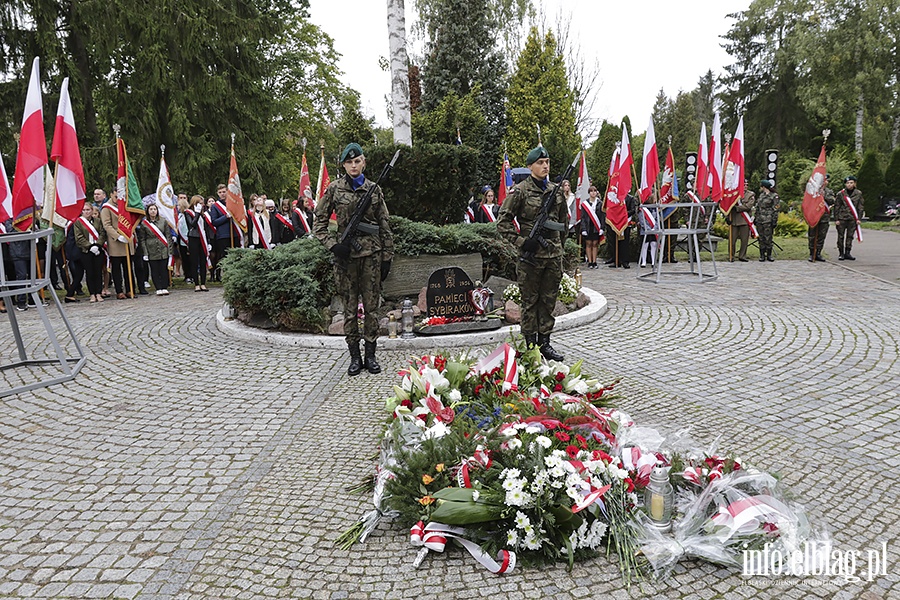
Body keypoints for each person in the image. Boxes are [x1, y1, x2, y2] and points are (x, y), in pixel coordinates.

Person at [314, 142, 394, 376]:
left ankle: (370, 355)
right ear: (343, 165)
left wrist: (387, 256)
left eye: (357, 161)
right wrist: (333, 245)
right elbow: (318, 224)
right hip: (346, 259)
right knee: (349, 310)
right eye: (349, 162)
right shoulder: (334, 189)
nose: (353, 165)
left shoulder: (374, 189)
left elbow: (384, 225)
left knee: (371, 309)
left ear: (364, 161)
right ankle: (354, 357)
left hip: (372, 258)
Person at [497, 145, 567, 361]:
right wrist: (521, 242)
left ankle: (545, 343)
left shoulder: (555, 191)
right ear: (530, 166)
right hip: (530, 258)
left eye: (547, 162)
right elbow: (503, 222)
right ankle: (530, 345)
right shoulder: (520, 191)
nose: (545, 166)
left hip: (552, 257)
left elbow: (564, 222)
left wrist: (558, 247)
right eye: (540, 163)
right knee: (530, 302)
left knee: (548, 301)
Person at [99, 192, 137, 298]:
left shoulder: (125, 205)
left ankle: (130, 289)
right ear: (111, 195)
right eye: (116, 196)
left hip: (128, 240)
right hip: (115, 242)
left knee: (128, 267)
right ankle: (119, 291)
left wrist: (132, 233)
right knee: (116, 269)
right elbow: (107, 225)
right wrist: (117, 236)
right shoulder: (107, 208)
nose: (118, 198)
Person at [72, 203, 107, 303]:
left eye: (88, 210)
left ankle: (98, 293)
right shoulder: (78, 222)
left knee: (98, 272)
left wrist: (98, 245)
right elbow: (79, 237)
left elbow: (102, 234)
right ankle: (92, 294)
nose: (86, 212)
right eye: (84, 210)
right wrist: (90, 246)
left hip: (98, 250)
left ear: (92, 211)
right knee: (90, 272)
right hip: (86, 251)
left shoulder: (98, 221)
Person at [139, 202, 173, 295]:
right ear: (148, 211)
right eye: (151, 209)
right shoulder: (144, 224)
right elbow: (142, 239)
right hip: (151, 248)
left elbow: (168, 236)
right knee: (154, 269)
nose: (153, 211)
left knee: (163, 269)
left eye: (154, 209)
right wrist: (145, 253)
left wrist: (170, 250)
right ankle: (158, 287)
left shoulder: (163, 221)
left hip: (163, 248)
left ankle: (164, 287)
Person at [184, 195, 212, 291]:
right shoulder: (188, 213)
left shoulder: (204, 214)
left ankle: (203, 283)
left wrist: (208, 242)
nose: (202, 205)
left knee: (203, 261)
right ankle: (196, 283)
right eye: (200, 203)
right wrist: (196, 213)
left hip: (202, 239)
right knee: (194, 261)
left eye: (202, 203)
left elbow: (206, 228)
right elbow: (192, 224)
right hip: (193, 238)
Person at [834, 175, 863, 261]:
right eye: (847, 183)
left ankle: (848, 252)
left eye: (851, 183)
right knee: (841, 236)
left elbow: (860, 207)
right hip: (842, 218)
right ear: (845, 184)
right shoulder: (841, 194)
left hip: (852, 218)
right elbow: (837, 207)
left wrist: (859, 218)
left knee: (850, 236)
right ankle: (841, 253)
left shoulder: (858, 193)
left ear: (854, 184)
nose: (849, 185)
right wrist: (836, 219)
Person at [808, 173, 834, 262]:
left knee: (821, 236)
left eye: (826, 181)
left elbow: (832, 201)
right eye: (823, 180)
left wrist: (824, 195)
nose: (825, 182)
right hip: (814, 216)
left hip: (824, 217)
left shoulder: (829, 191)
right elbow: (808, 201)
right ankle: (812, 253)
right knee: (812, 235)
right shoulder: (812, 190)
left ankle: (818, 253)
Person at [729, 182, 754, 262]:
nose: (746, 186)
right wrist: (727, 217)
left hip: (744, 220)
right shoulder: (733, 193)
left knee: (744, 240)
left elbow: (748, 206)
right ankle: (731, 256)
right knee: (732, 240)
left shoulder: (750, 194)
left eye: (747, 184)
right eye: (744, 185)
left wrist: (737, 208)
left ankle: (742, 256)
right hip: (734, 220)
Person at [755, 180, 779, 262]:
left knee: (768, 238)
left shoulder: (774, 196)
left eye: (761, 186)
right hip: (760, 220)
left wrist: (774, 220)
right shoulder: (761, 195)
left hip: (768, 219)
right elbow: (757, 207)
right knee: (761, 238)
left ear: (764, 187)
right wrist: (755, 217)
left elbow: (776, 209)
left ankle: (769, 254)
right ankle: (762, 255)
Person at [580, 185, 603, 268]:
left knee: (595, 243)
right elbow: (582, 217)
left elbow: (602, 217)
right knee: (588, 243)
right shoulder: (585, 204)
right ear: (589, 193)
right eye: (591, 191)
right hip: (588, 226)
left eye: (594, 191)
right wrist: (583, 229)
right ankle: (590, 262)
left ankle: (594, 261)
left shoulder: (600, 203)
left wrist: (602, 228)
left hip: (596, 226)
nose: (593, 193)